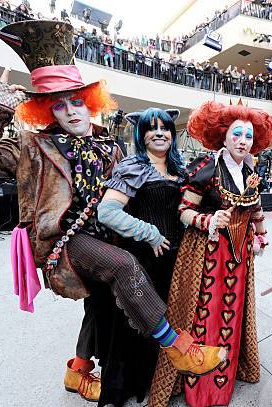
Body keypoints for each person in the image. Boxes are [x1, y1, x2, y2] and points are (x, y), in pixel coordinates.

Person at [0, 20, 226, 404]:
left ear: (88, 102)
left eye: (76, 100)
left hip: (106, 237)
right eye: (59, 104)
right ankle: (180, 349)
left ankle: (77, 371)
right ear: (47, 110)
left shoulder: (109, 146)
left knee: (103, 306)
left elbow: (135, 188)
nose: (71, 110)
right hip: (64, 241)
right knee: (126, 267)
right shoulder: (33, 146)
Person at [148, 100, 272, 407]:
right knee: (206, 311)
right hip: (205, 253)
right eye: (237, 134)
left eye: (248, 135)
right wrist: (208, 220)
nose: (243, 141)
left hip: (239, 255)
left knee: (231, 313)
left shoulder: (249, 170)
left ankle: (226, 375)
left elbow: (255, 207)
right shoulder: (207, 167)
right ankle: (200, 384)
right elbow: (183, 211)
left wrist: (260, 234)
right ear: (223, 136)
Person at [93, 108, 188, 406]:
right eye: (152, 128)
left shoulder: (180, 169)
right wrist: (149, 233)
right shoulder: (133, 166)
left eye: (165, 128)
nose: (160, 133)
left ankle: (161, 383)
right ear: (141, 134)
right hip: (143, 260)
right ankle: (128, 387)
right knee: (138, 324)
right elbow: (106, 212)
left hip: (176, 260)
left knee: (168, 320)